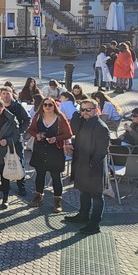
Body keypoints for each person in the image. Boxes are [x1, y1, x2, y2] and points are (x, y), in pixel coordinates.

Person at [63, 99, 111, 234]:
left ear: (96, 110)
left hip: (94, 169)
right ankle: (83, 215)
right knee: (83, 192)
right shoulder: (83, 122)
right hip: (82, 165)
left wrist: (90, 164)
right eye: (82, 110)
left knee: (96, 197)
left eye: (88, 110)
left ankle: (94, 224)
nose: (84, 112)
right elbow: (75, 133)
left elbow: (102, 151)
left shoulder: (101, 127)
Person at [27, 97, 73, 212]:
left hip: (55, 150)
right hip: (40, 149)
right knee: (40, 174)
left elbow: (68, 134)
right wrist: (36, 135)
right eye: (45, 105)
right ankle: (38, 197)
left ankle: (57, 201)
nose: (47, 107)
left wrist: (56, 138)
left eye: (50, 105)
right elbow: (30, 129)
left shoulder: (60, 117)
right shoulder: (38, 117)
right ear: (42, 106)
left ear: (54, 106)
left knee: (56, 176)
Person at [0, 85, 31, 196]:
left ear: (11, 94)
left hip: (16, 139)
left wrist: (20, 131)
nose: (5, 95)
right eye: (3, 93)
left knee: (19, 161)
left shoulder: (18, 106)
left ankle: (21, 186)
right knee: (3, 162)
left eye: (7, 93)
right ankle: (5, 185)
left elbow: (27, 119)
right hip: (2, 140)